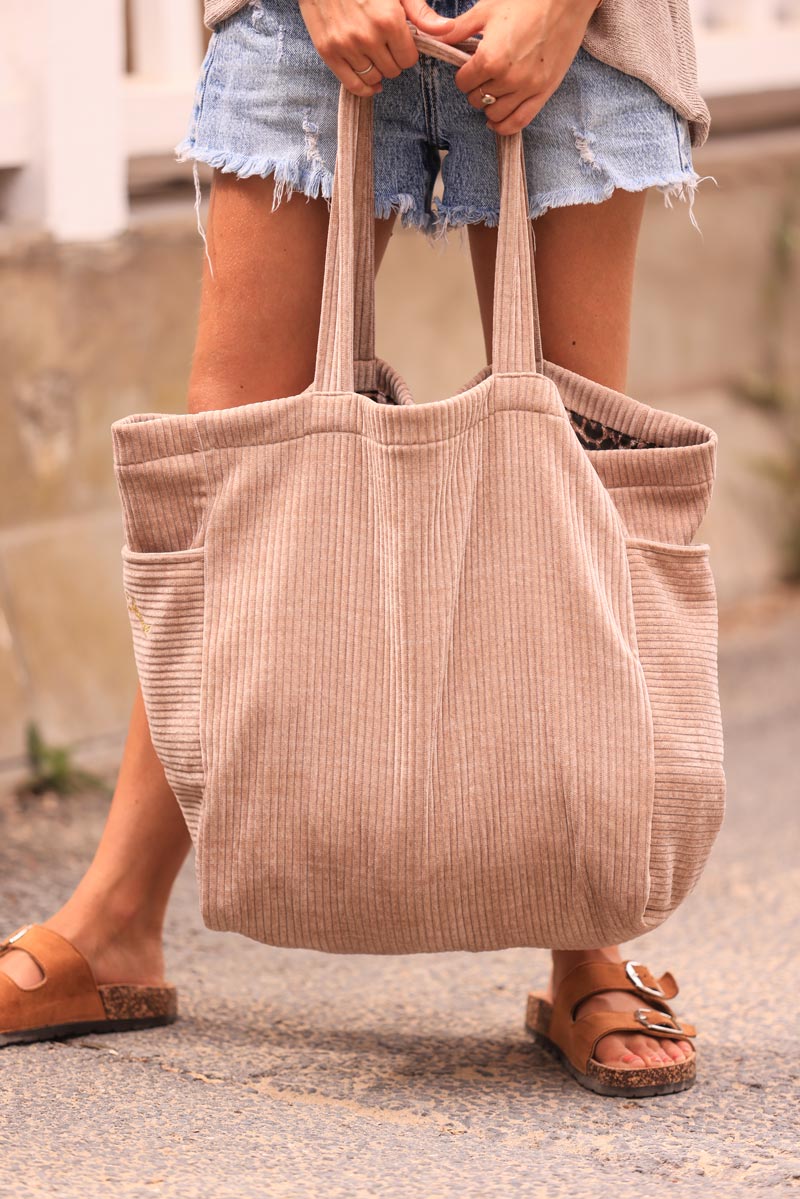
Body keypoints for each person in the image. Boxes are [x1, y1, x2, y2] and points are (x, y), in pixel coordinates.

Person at [1, 0, 707, 1096]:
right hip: (304, 18)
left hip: (575, 27)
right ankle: (115, 921)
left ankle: (587, 944)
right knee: (236, 453)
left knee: (577, 450)